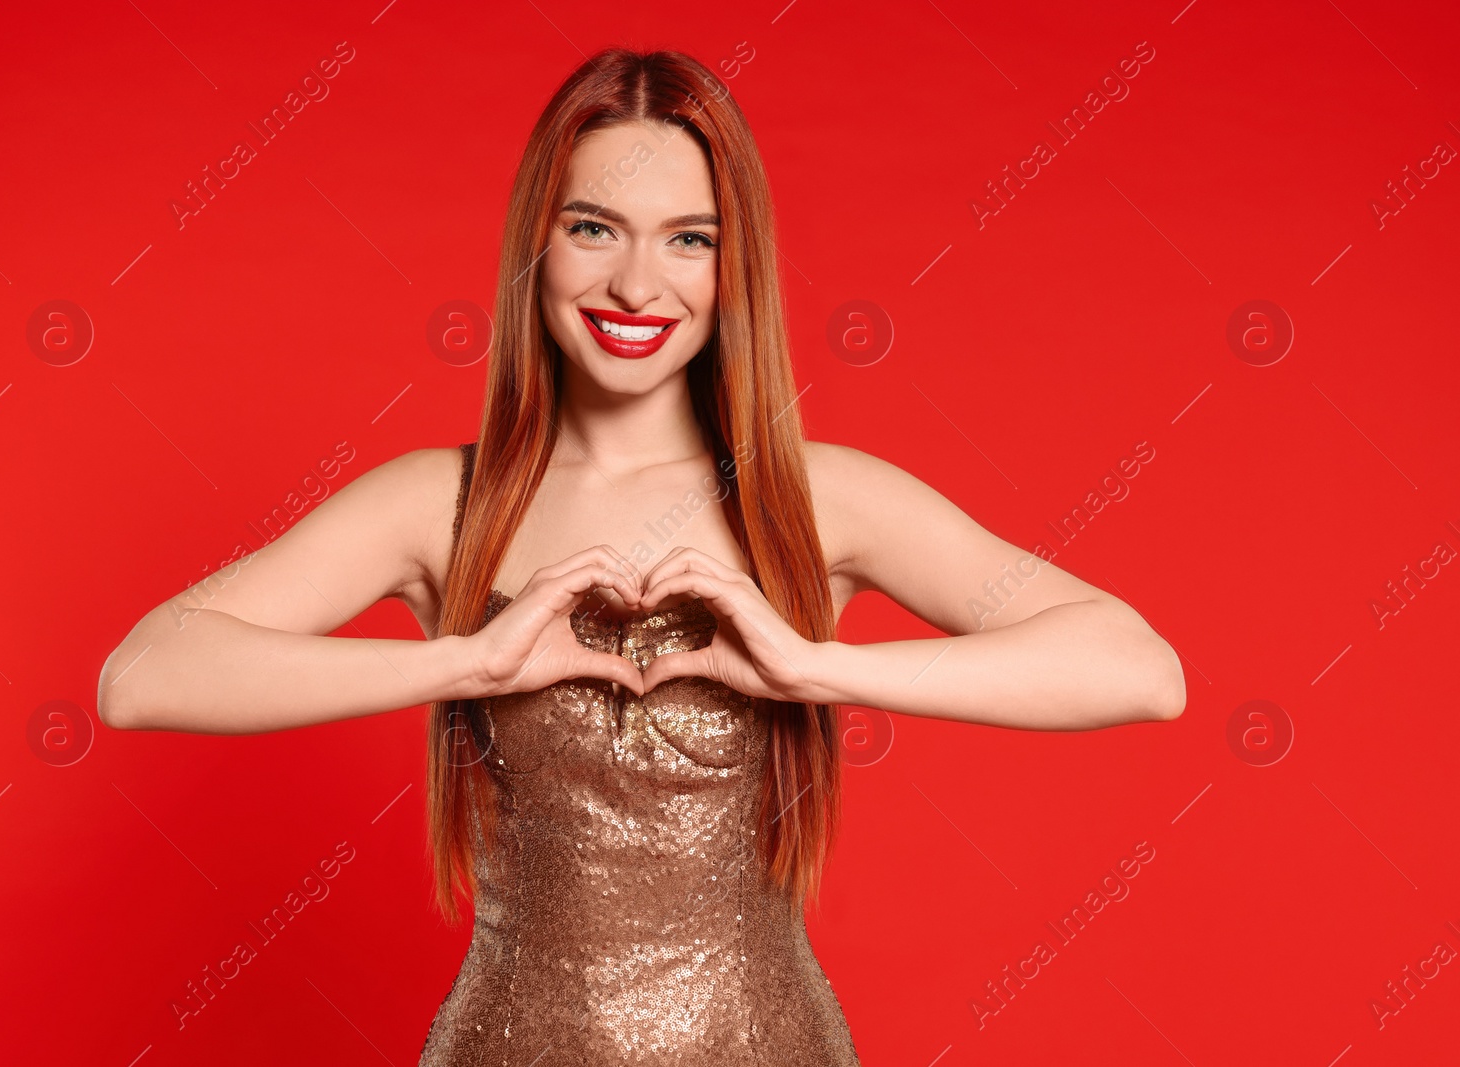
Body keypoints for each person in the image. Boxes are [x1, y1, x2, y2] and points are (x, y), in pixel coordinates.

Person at [98, 47, 1185, 1066]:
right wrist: (466, 664)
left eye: (688, 237)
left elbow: (1137, 666)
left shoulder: (814, 495)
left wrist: (816, 669)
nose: (634, 283)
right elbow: (143, 675)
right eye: (592, 227)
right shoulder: (442, 501)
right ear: (539, 239)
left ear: (732, 263)